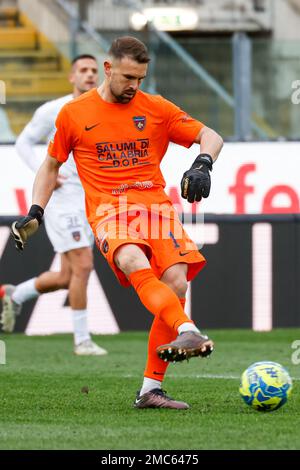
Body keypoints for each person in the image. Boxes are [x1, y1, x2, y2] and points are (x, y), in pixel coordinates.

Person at [10, 36, 223, 408]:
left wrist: (203, 162)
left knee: (175, 284)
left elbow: (211, 135)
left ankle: (149, 391)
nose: (133, 86)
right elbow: (51, 165)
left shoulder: (154, 107)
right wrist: (36, 210)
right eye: (127, 77)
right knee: (131, 259)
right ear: (108, 70)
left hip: (156, 207)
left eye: (140, 78)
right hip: (109, 209)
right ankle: (188, 330)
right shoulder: (74, 113)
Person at [0, 54, 107, 356]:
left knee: (65, 276)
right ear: (72, 77)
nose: (89, 75)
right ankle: (82, 341)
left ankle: (14, 295)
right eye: (83, 70)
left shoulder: (103, 109)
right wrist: (46, 171)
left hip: (90, 200)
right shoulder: (54, 109)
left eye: (93, 71)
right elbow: (23, 142)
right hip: (61, 202)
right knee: (84, 266)